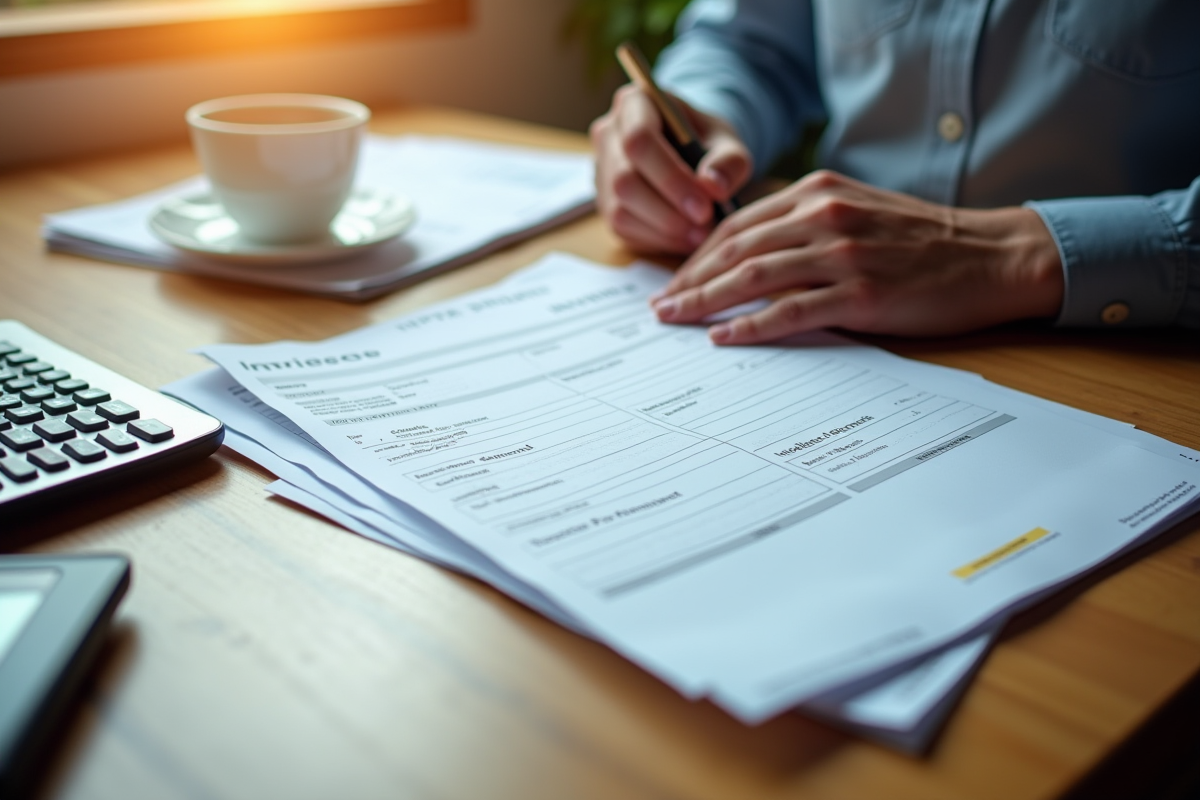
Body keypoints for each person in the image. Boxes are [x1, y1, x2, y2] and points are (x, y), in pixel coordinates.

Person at [589, 0, 1200, 344]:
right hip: (827, 317)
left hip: (1136, 354)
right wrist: (699, 120)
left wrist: (1011, 256)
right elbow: (749, 45)